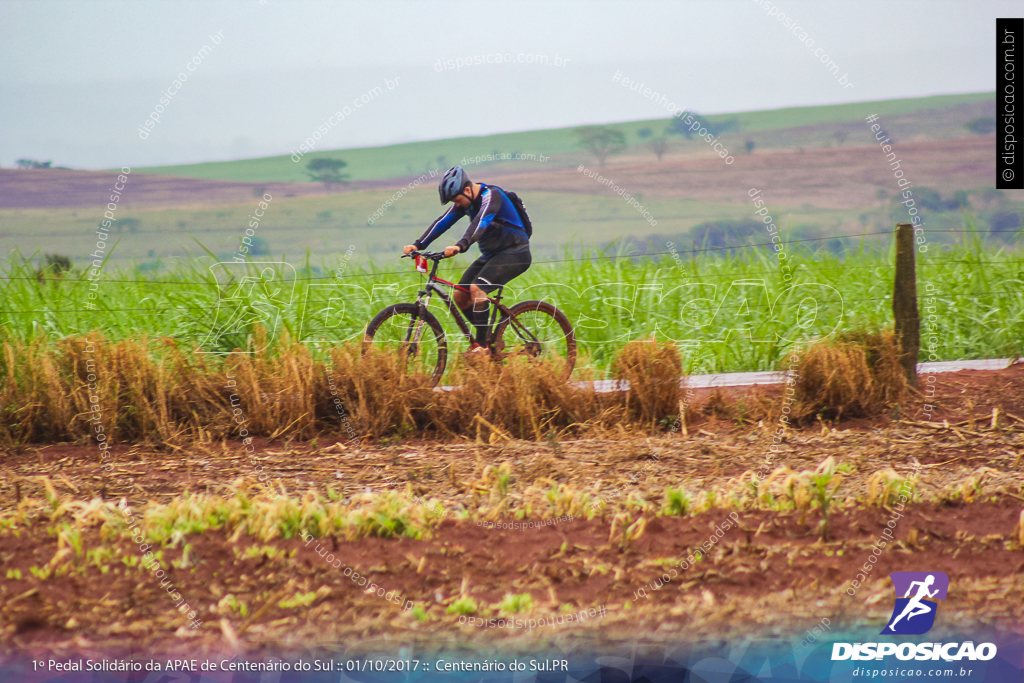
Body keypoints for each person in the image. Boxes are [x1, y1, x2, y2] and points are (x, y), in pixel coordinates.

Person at [403, 166, 531, 352]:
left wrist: (460, 245)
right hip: (491, 255)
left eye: (457, 200)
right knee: (461, 295)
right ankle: (488, 339)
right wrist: (418, 245)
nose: (458, 205)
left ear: (468, 190)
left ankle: (482, 347)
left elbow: (481, 222)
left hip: (515, 253)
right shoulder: (465, 202)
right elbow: (442, 222)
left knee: (477, 289)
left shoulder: (492, 196)